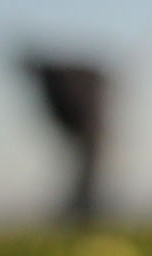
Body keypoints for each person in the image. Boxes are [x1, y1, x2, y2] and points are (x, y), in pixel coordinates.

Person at [16, 52, 113, 225]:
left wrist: (82, 124)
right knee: (83, 173)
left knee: (88, 174)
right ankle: (80, 214)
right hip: (85, 128)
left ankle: (86, 215)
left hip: (89, 127)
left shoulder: (56, 78)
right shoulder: (53, 77)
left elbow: (72, 105)